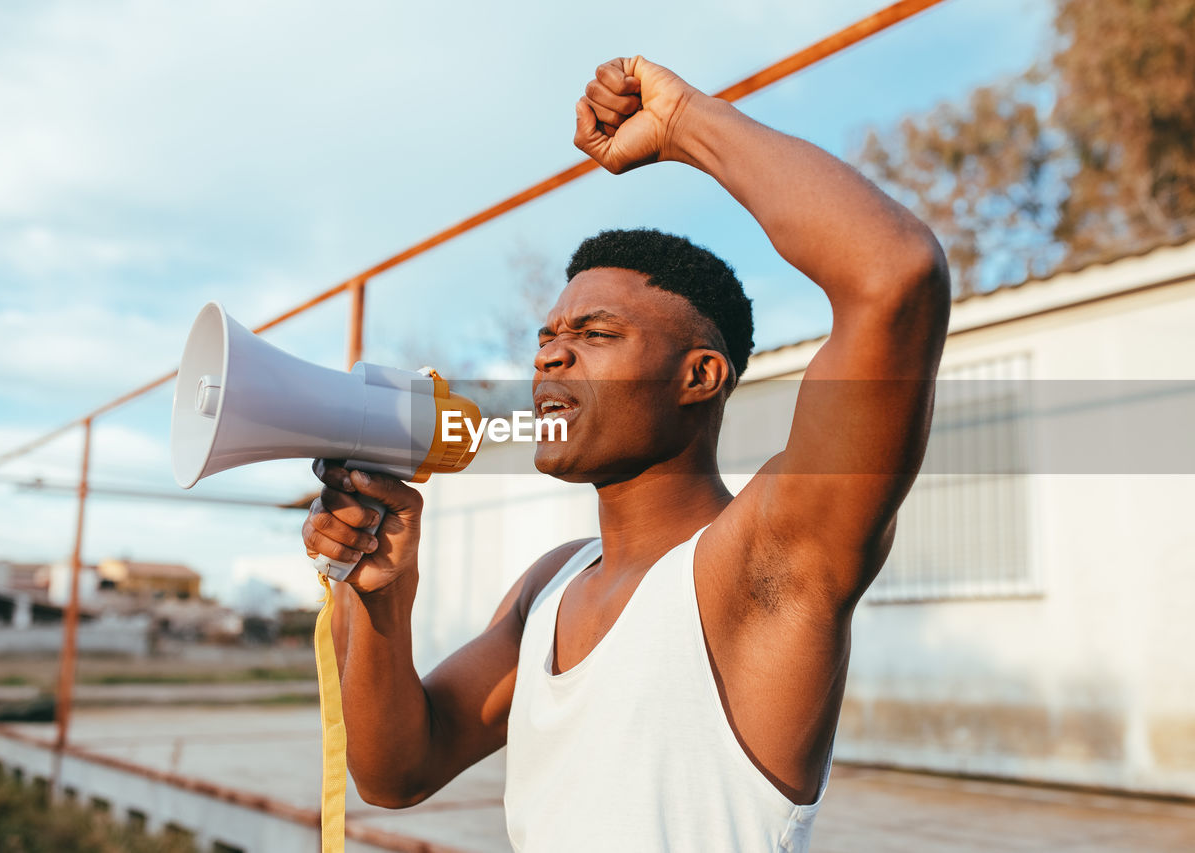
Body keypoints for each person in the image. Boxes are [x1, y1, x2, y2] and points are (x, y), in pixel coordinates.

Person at [302, 55, 950, 852]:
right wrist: (382, 595)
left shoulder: (764, 556)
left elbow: (896, 272)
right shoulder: (554, 581)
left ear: (699, 376)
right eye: (547, 339)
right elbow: (399, 770)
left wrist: (685, 125)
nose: (550, 357)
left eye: (596, 334)